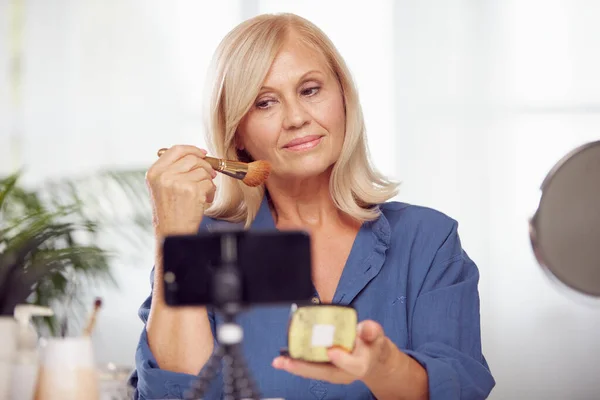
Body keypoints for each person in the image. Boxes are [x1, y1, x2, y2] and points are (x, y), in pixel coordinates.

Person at [129, 12, 496, 400]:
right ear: (238, 134)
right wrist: (173, 238)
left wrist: (381, 366)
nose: (297, 118)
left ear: (343, 98)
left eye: (310, 90)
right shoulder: (197, 248)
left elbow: (457, 390)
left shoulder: (428, 240)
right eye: (265, 102)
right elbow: (178, 395)